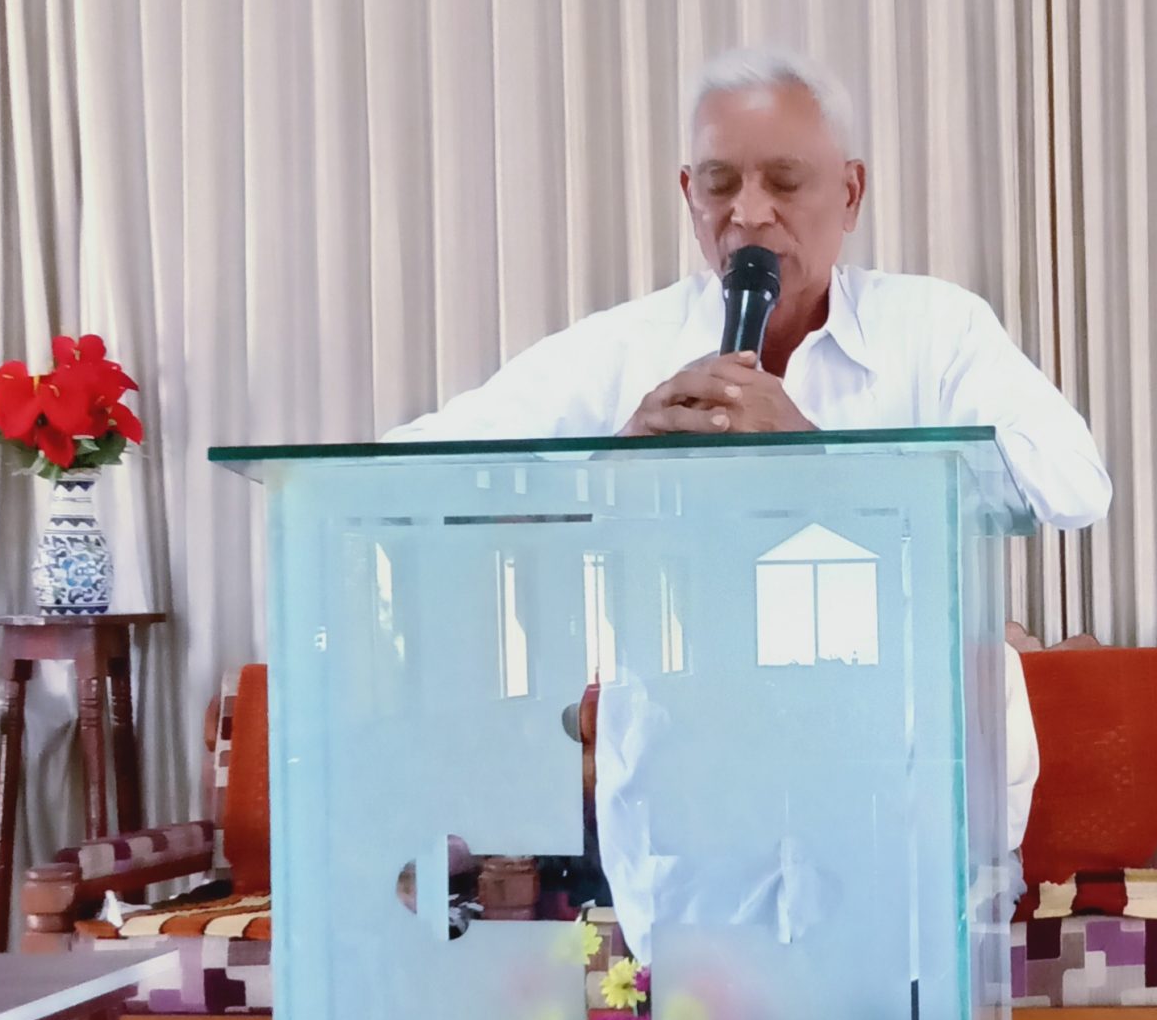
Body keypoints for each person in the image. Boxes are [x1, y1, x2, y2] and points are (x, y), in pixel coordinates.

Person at [391, 48, 1110, 915]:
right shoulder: (623, 349)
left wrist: (818, 459)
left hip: (907, 809)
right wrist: (608, 465)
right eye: (721, 184)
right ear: (687, 192)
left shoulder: (936, 330)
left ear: (849, 193)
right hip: (697, 833)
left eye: (783, 181)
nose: (749, 213)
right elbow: (414, 465)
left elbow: (1070, 482)